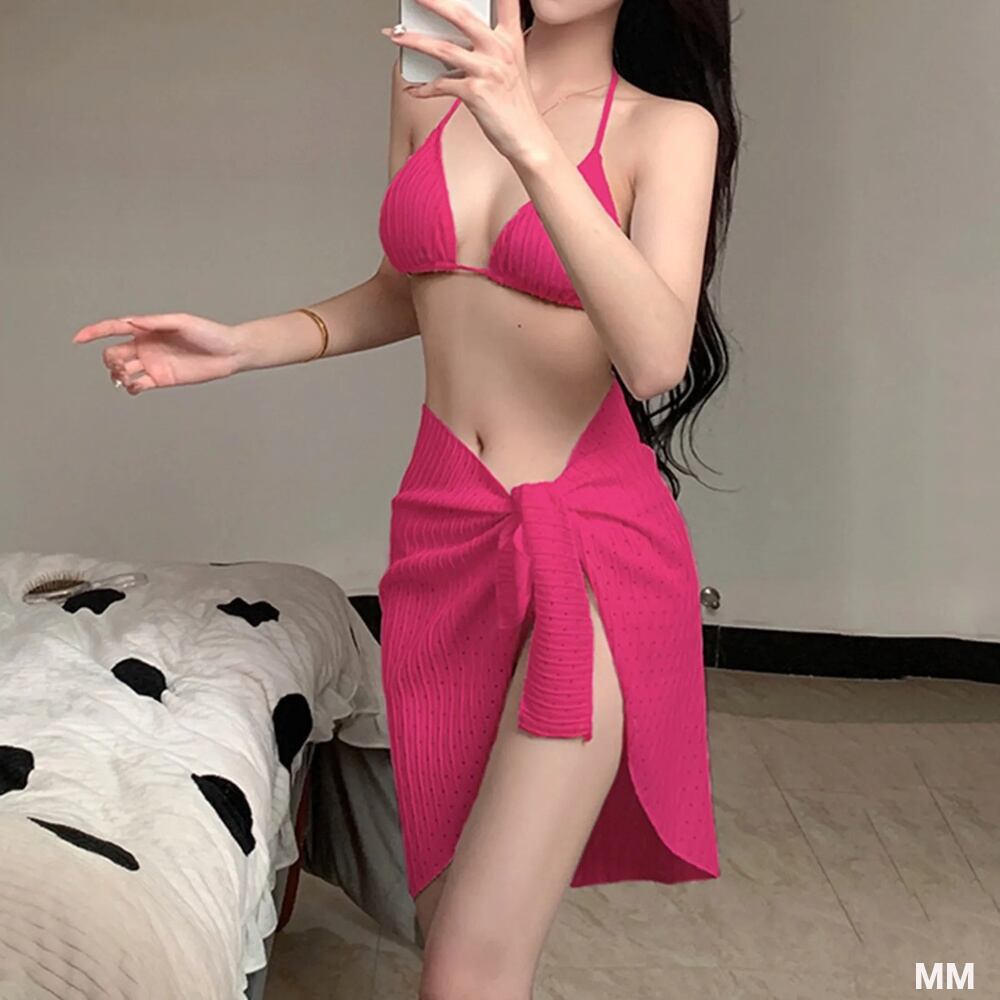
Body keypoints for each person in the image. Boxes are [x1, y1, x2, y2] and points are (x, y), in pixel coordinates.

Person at [72, 1, 740, 996]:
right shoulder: (427, 85)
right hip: (442, 533)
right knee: (444, 919)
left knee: (469, 964)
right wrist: (241, 346)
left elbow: (652, 359)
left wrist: (524, 135)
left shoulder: (668, 128)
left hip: (590, 548)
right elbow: (406, 287)